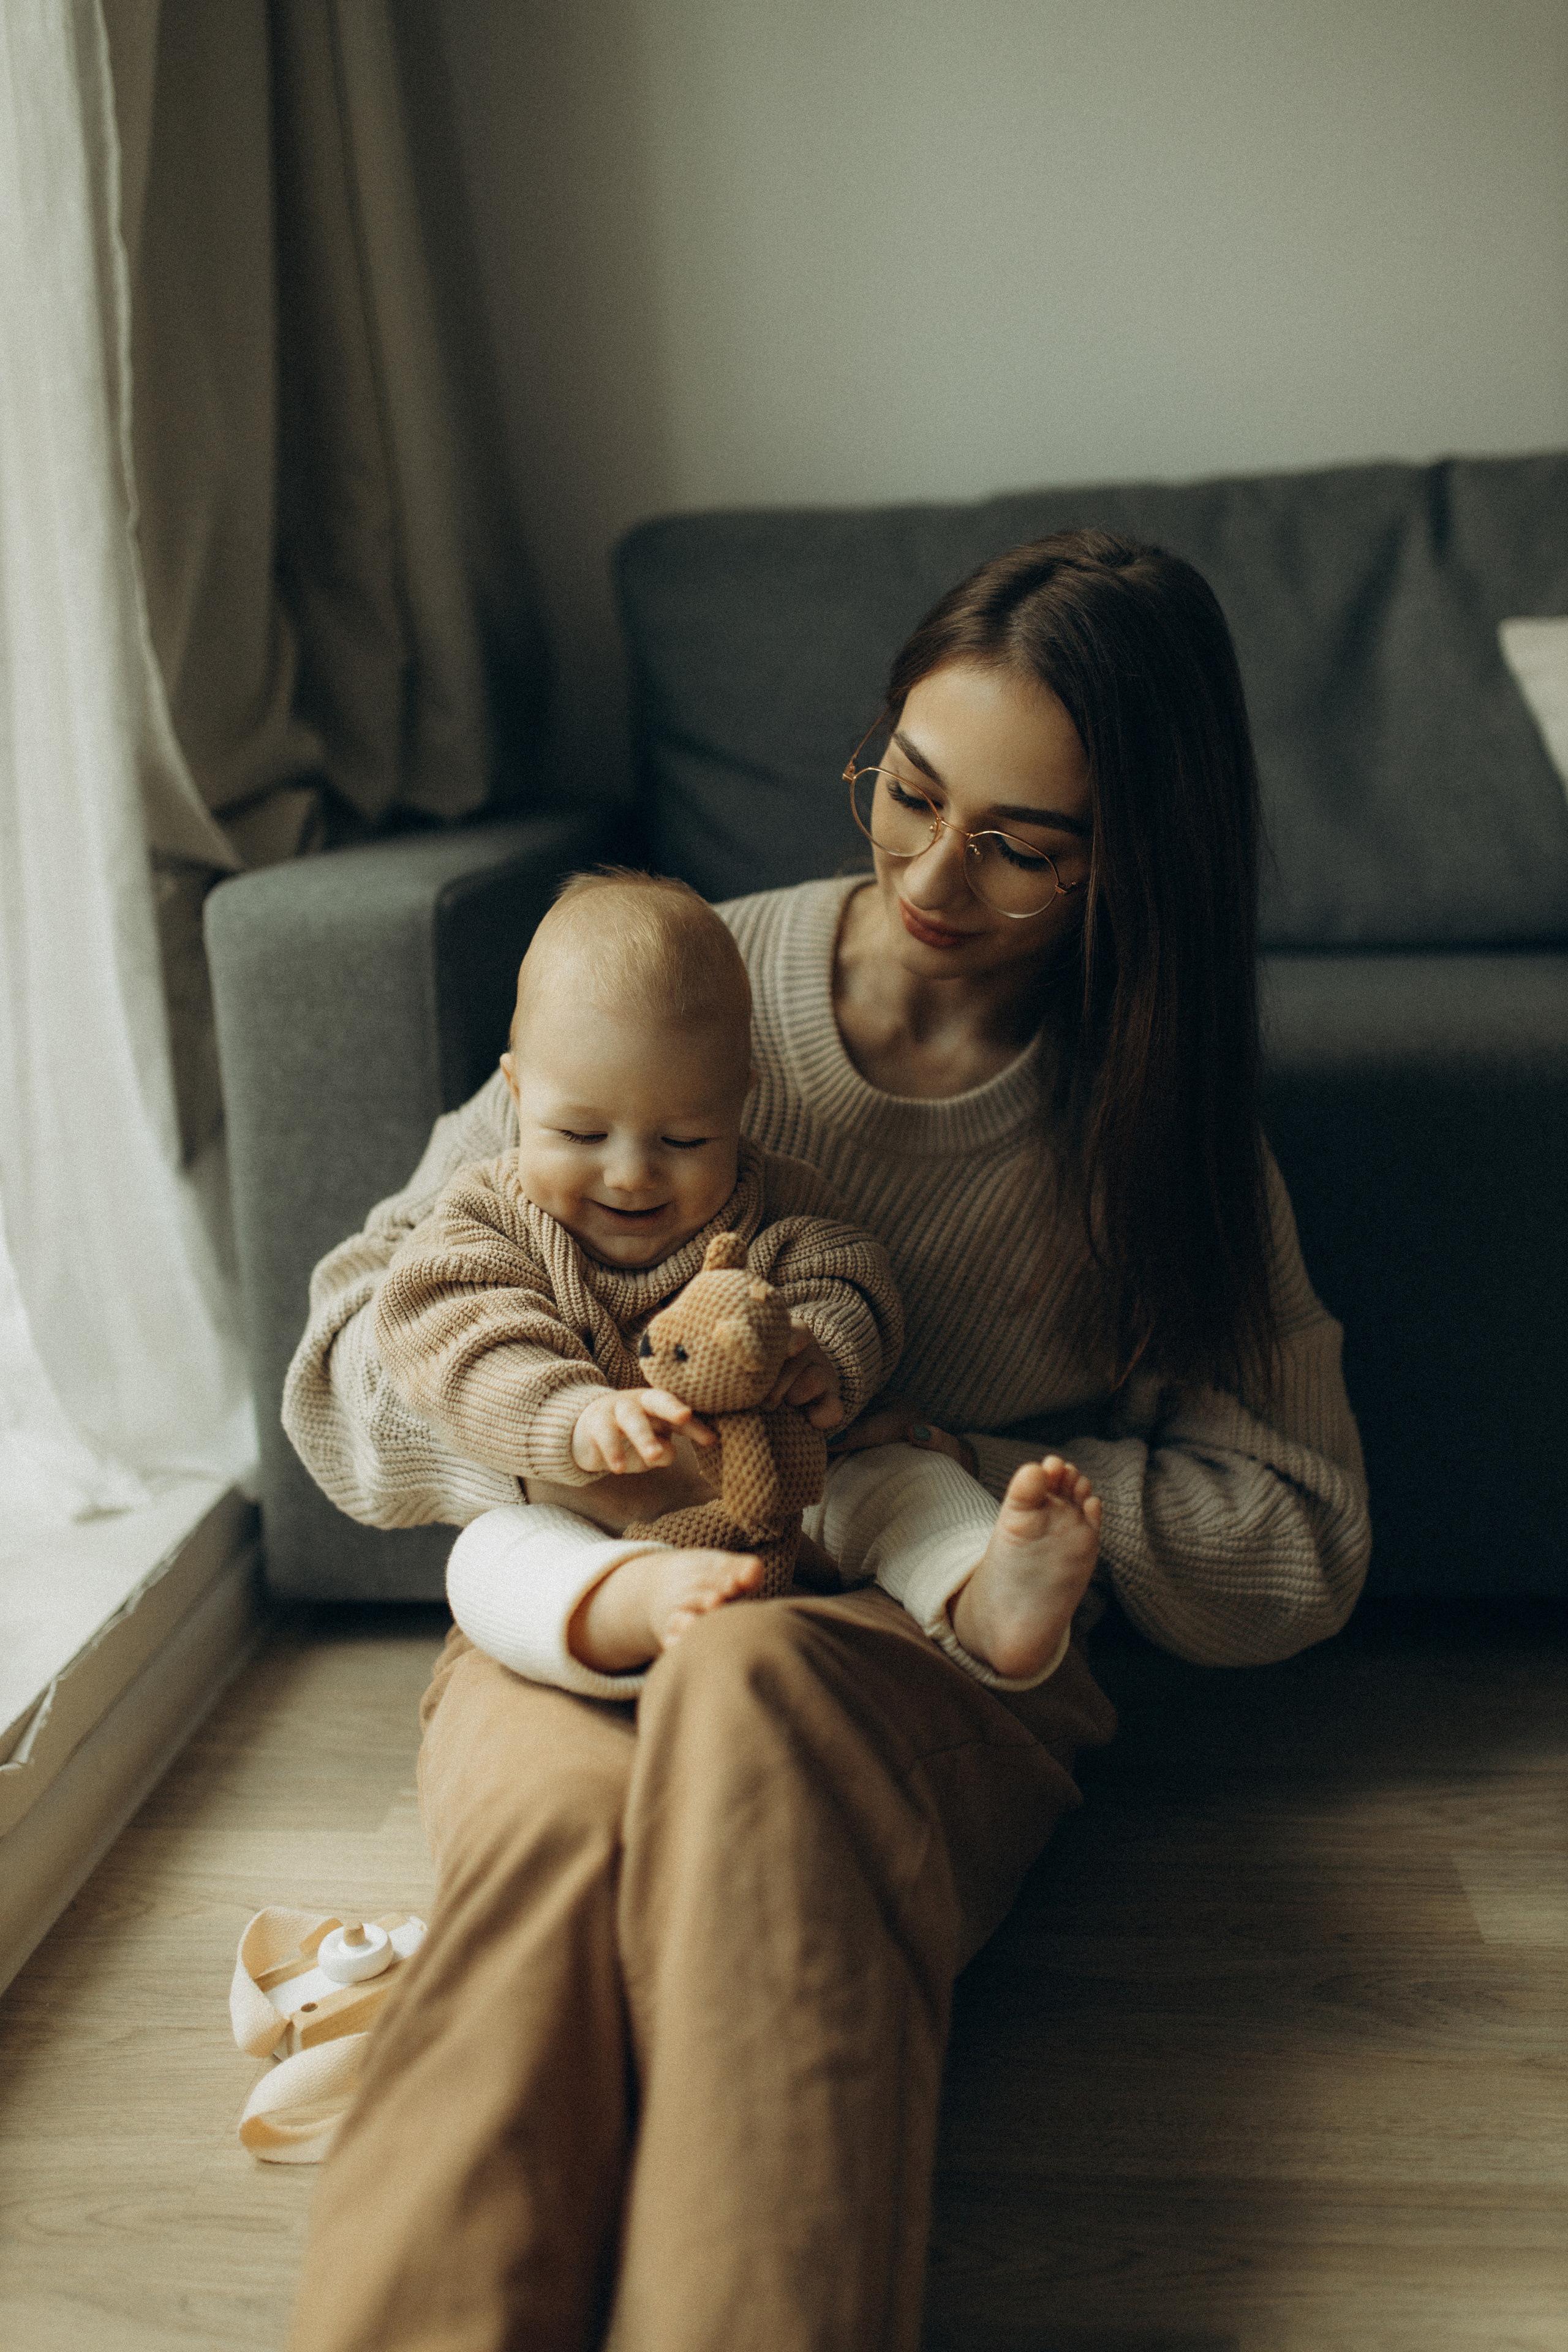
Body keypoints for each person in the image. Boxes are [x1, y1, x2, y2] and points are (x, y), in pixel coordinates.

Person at [281, 528, 1371, 2352]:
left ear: (1137, 865)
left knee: (757, 1703)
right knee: (558, 1845)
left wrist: (992, 1477)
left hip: (904, 1636)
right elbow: (345, 1370)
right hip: (588, 1598)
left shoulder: (1149, 1126)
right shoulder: (675, 989)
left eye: (1025, 845)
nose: (940, 873)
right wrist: (575, 1443)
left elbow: (1307, 1533)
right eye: (911, 793)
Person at [368, 867, 1102, 1695]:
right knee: (489, 1559)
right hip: (589, 1515)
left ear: (739, 1103)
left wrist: (820, 1354)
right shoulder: (484, 1221)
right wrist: (574, 1417)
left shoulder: (775, 1201)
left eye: (684, 1139)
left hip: (785, 1497)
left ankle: (986, 1593)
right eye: (579, 1132)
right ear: (514, 1093)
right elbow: (454, 1332)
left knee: (903, 1480)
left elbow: (848, 1280)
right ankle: (633, 1606)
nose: (631, 1175)